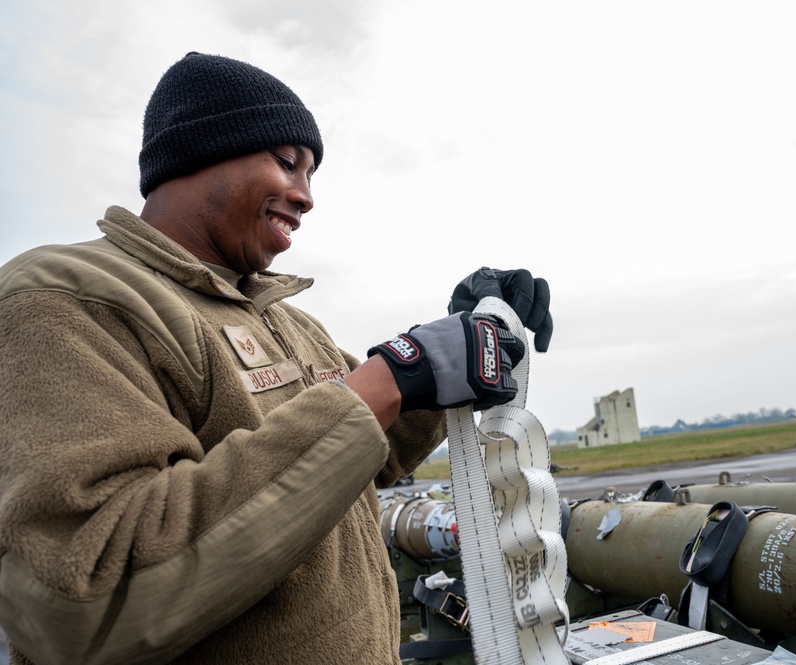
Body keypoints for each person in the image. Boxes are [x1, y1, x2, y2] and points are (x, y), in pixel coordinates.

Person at [0, 52, 552, 665]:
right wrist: (395, 372)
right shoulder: (66, 298)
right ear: (199, 152)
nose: (306, 196)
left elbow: (369, 445)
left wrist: (457, 334)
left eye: (312, 175)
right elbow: (84, 596)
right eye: (288, 163)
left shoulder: (282, 320)